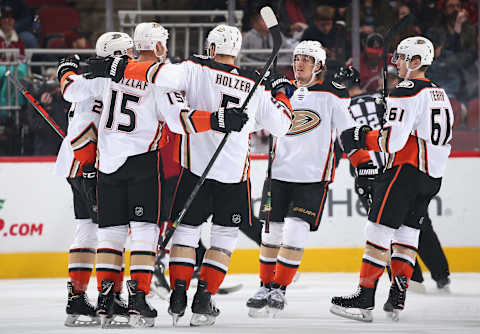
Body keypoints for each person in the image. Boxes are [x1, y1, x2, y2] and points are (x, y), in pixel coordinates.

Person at [85, 23, 294, 327]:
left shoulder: (192, 68)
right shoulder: (253, 84)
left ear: (210, 49)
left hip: (192, 171)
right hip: (233, 175)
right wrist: (281, 92)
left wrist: (118, 66)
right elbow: (282, 126)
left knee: (185, 233)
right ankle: (204, 298)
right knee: (223, 238)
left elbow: (155, 73)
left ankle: (178, 294)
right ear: (235, 52)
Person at [58, 22, 249, 328]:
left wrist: (65, 70)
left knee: (111, 234)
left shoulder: (110, 72)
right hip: (142, 165)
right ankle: (138, 300)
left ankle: (107, 299)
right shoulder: (159, 81)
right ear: (160, 47)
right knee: (145, 233)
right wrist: (217, 118)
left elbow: (71, 91)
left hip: (106, 164)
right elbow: (180, 121)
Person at [246, 41, 376, 318]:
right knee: (270, 235)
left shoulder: (332, 95)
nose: (299, 63)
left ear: (319, 66)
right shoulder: (282, 93)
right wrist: (258, 93)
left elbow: (348, 133)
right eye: (296, 58)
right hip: (278, 175)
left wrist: (363, 164)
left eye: (306, 59)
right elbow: (256, 123)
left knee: (294, 232)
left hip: (313, 179)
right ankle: (264, 285)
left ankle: (279, 287)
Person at [331, 36, 453, 322]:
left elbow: (392, 142)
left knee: (378, 231)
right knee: (407, 234)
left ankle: (364, 297)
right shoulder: (440, 92)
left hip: (404, 171)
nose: (394, 62)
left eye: (400, 57)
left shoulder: (405, 90)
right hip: (432, 176)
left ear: (415, 62)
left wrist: (362, 136)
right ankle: (398, 296)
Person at [55, 31, 134, 327]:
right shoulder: (106, 81)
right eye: (127, 52)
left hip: (75, 163)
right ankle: (108, 294)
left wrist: (66, 70)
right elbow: (87, 126)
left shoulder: (90, 79)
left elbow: (68, 88)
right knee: (111, 231)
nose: (131, 57)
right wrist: (90, 166)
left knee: (86, 229)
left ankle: (77, 297)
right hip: (91, 164)